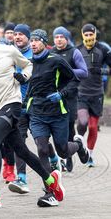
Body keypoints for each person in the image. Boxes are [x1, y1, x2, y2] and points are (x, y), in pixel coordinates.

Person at [0, 17, 64, 211]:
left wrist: (23, 77)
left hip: (12, 104)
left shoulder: (9, 50)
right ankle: (51, 179)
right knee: (21, 150)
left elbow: (28, 65)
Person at [24, 29, 90, 207]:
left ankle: (79, 144)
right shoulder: (29, 63)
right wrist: (24, 106)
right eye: (32, 40)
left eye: (37, 40)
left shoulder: (56, 60)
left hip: (57, 113)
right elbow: (30, 86)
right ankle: (50, 192)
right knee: (42, 149)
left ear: (45, 43)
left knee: (62, 151)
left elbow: (74, 79)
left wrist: (62, 94)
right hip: (37, 113)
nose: (33, 43)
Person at [48, 26, 88, 172]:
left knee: (69, 126)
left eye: (61, 37)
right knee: (58, 127)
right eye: (56, 37)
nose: (59, 40)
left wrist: (66, 70)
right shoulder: (50, 52)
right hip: (53, 96)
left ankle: (69, 156)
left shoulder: (74, 52)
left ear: (67, 38)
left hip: (70, 95)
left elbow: (84, 72)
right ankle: (65, 157)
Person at [76, 24, 111, 167]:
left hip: (97, 93)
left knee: (93, 127)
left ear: (95, 35)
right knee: (83, 123)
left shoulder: (103, 49)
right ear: (83, 35)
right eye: (87, 35)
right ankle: (79, 143)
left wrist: (103, 72)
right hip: (81, 92)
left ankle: (89, 154)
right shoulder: (77, 50)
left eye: (91, 34)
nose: (89, 37)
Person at [7, 24, 33, 193]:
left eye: (21, 34)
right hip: (19, 104)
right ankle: (21, 178)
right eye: (15, 34)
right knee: (19, 142)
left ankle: (53, 158)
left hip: (37, 104)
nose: (17, 37)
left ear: (28, 38)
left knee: (42, 143)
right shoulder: (9, 54)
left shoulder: (35, 54)